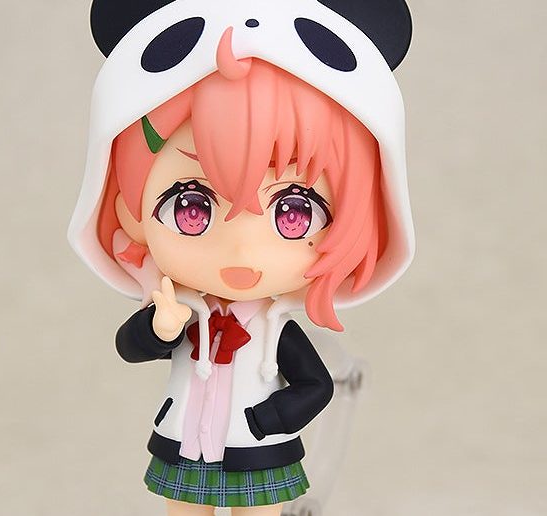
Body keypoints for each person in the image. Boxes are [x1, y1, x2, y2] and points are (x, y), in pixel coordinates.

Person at [69, 1, 414, 514]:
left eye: (293, 213)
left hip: (258, 450)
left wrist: (267, 421)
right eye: (191, 207)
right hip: (184, 440)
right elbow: (130, 346)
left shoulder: (274, 325)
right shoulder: (183, 309)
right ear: (130, 210)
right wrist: (160, 328)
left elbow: (315, 385)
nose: (242, 248)